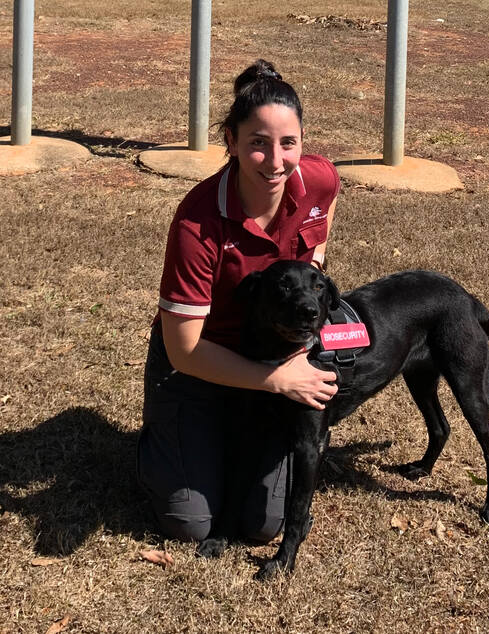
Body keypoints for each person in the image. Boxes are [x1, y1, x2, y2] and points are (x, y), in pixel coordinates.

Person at [137, 59, 342, 544]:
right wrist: (277, 380)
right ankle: (163, 440)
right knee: (188, 523)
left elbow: (327, 206)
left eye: (288, 143)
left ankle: (222, 434)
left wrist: (312, 274)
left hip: (271, 350)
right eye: (257, 143)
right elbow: (185, 349)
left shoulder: (317, 179)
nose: (275, 161)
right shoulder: (197, 223)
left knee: (263, 525)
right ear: (230, 141)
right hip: (198, 359)